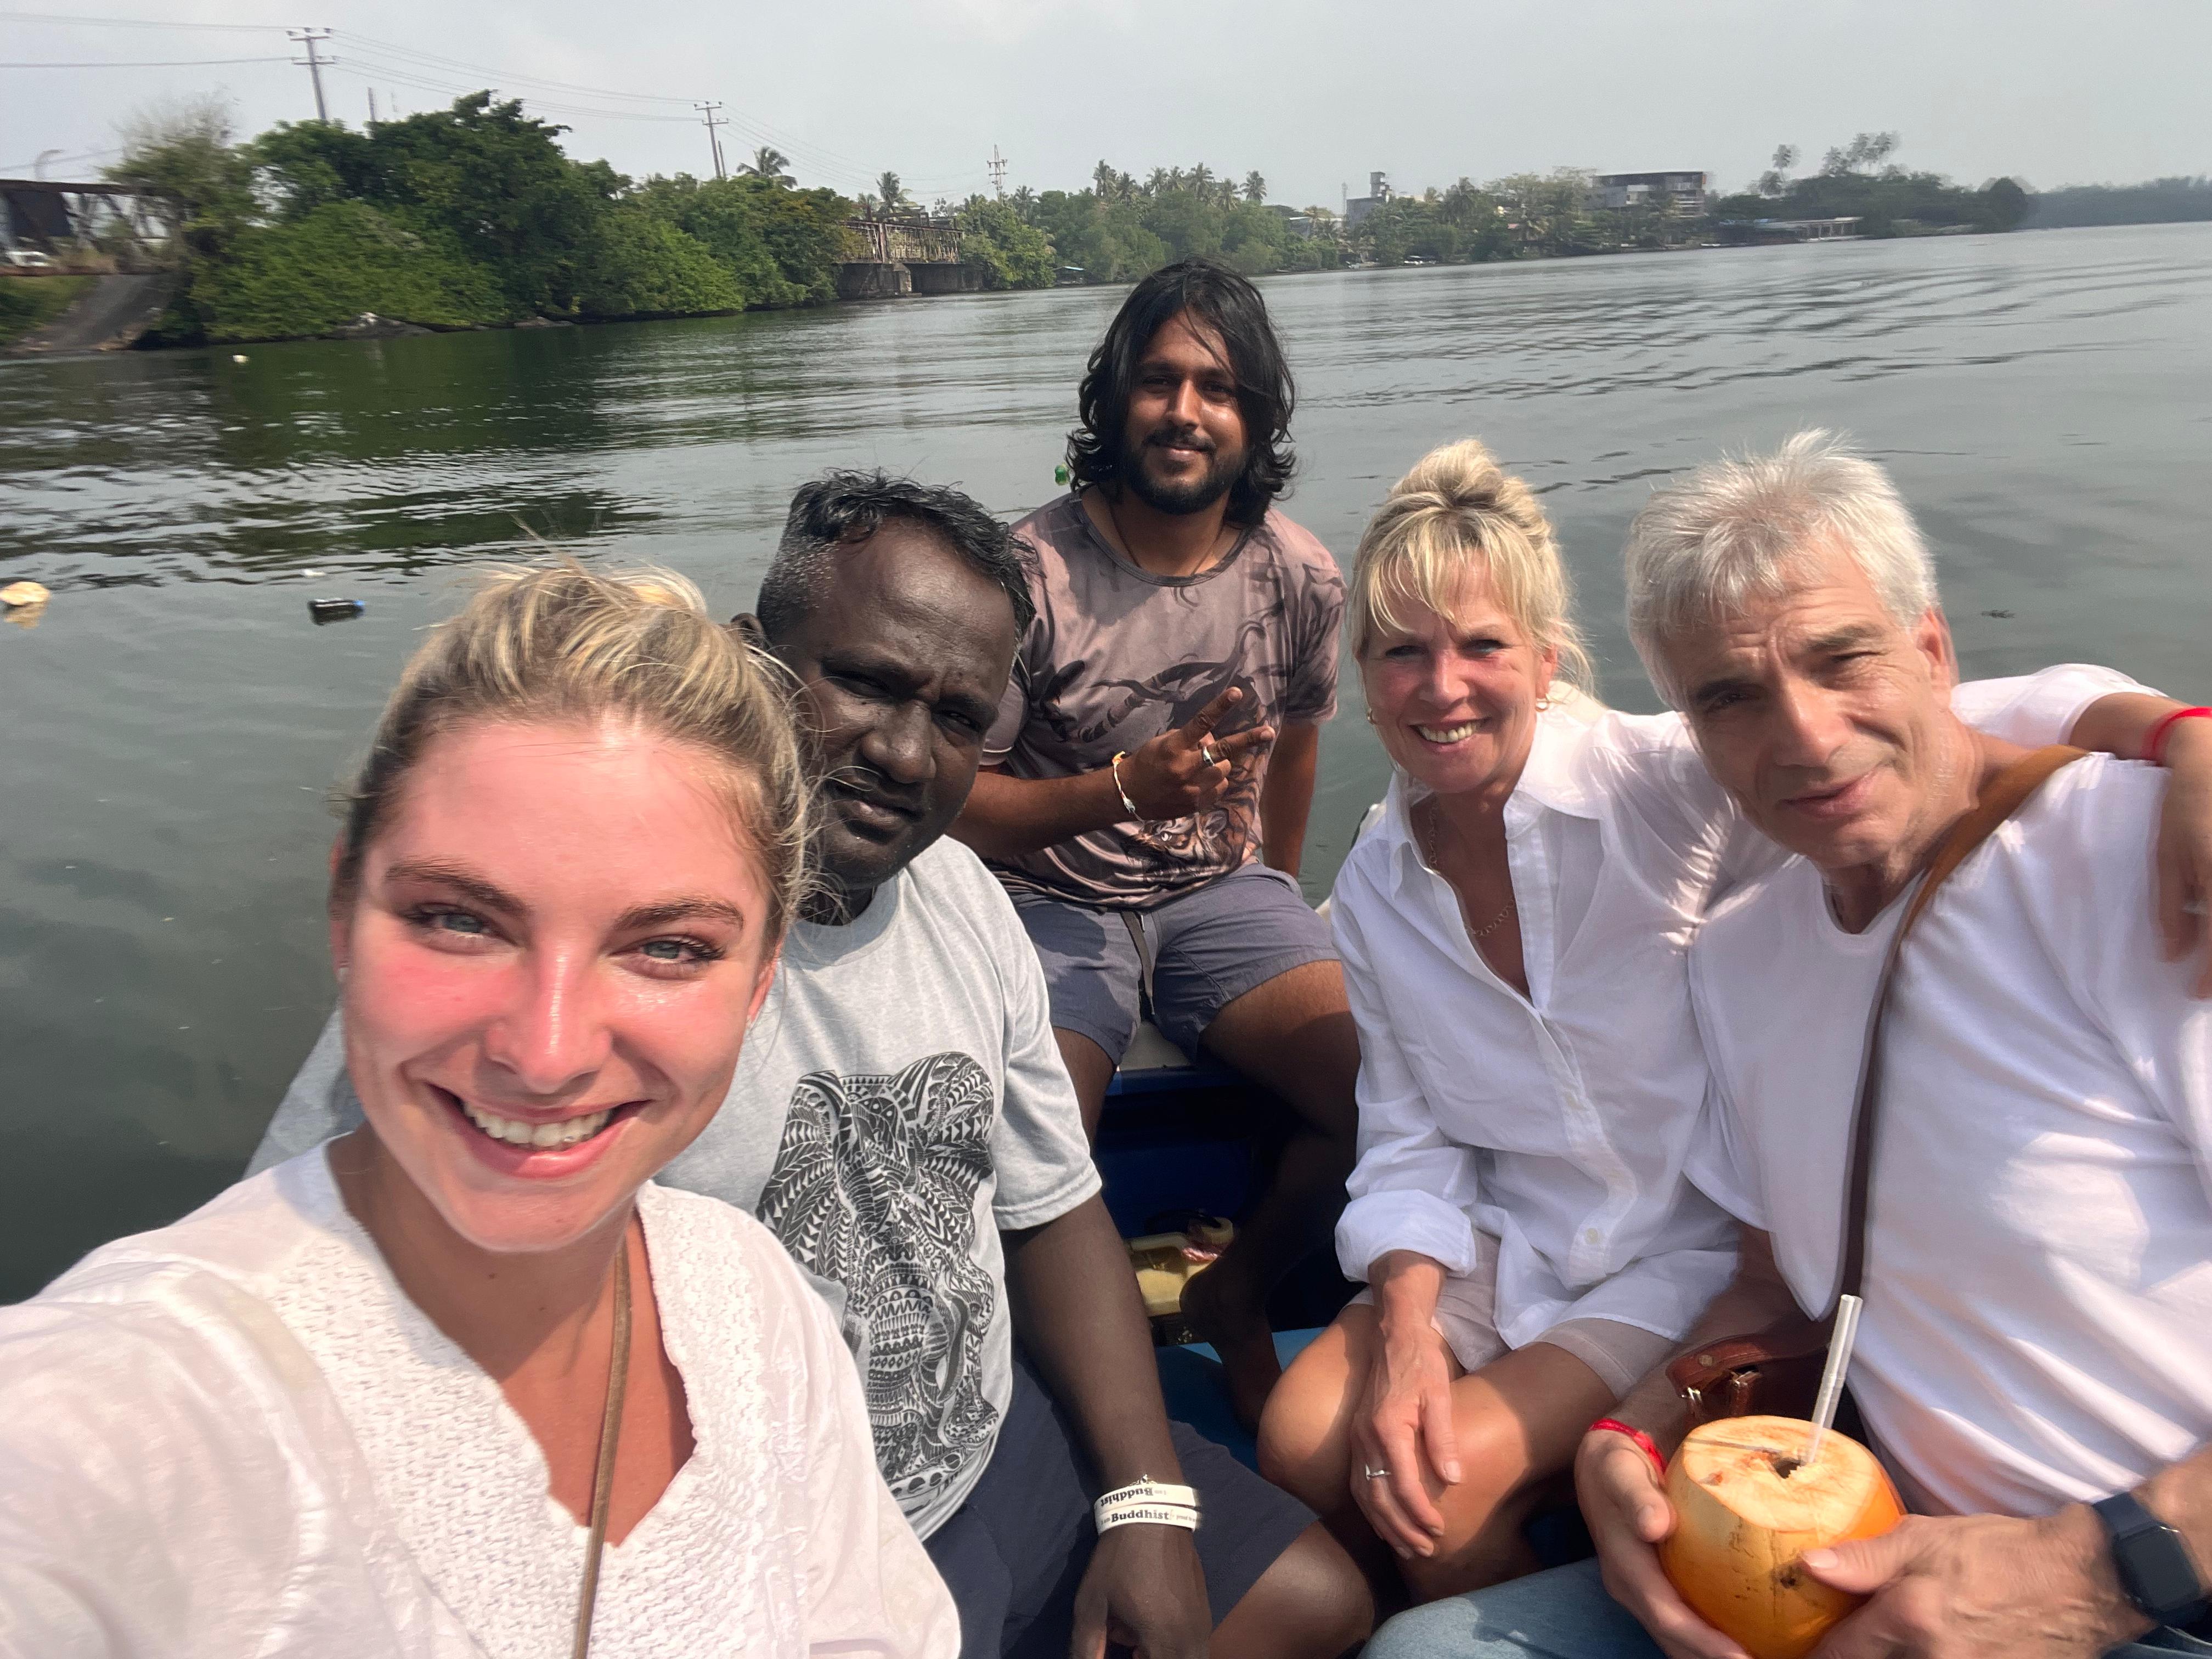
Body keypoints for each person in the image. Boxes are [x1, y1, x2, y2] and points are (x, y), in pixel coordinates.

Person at [252, 473, 1373, 1659]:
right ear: (755, 656)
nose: (903, 752)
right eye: (866, 683)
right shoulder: (585, 972)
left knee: (1323, 1604)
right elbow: (315, 1298)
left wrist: (1144, 1504)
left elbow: (1051, 1206)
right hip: (761, 1541)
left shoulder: (966, 902)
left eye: (958, 717)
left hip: (990, 1440)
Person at [1252, 437, 2212, 1613]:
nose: (1442, 687)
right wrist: (1411, 1335)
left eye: (1483, 645)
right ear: (1360, 676)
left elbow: (1941, 726)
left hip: (1677, 1246)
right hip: (1525, 1238)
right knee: (1303, 1443)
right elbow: (1408, 1133)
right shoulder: (1381, 889)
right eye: (1402, 652)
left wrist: (2177, 731)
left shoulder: (1658, 786)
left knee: (1438, 1489)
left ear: (1547, 661)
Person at [0, 566, 958, 1657]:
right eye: (460, 920)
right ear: (342, 915)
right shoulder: (124, 1416)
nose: (546, 1056)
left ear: (760, 980)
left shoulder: (754, 1299)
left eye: (667, 947)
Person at [949, 257, 1359, 1426]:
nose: (1185, 411)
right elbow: (961, 801)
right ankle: (1033, 1399)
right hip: (1045, 897)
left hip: (1220, 892)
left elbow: (1297, 746)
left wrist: (1280, 893)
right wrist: (1125, 789)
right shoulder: (1027, 577)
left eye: (1218, 389)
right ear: (1114, 399)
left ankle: (1241, 1289)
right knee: (1032, 1144)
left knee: (1381, 1091)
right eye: (1159, 380)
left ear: (1255, 419)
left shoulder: (1299, 576)